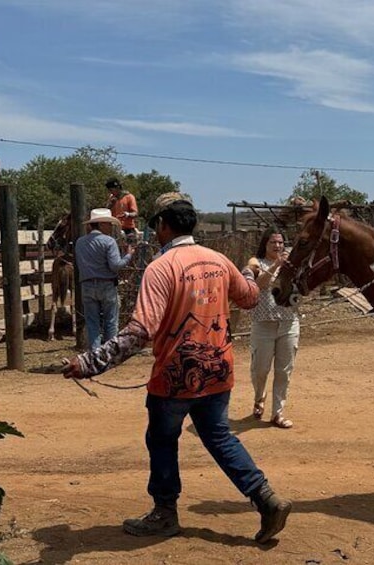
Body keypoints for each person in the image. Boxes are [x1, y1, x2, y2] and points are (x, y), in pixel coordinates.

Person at [61, 195, 292, 545]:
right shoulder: (218, 261)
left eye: (157, 227)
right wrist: (248, 274)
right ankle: (266, 499)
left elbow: (140, 331)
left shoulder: (161, 267)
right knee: (218, 437)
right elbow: (249, 297)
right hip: (217, 370)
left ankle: (165, 513)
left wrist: (90, 362)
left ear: (163, 226)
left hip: (174, 377)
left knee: (162, 439)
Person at [245, 227, 300, 429]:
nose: (277, 246)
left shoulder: (292, 265)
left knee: (284, 371)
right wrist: (276, 264)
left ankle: (278, 413)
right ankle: (259, 397)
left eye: (280, 242)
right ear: (265, 245)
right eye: (273, 242)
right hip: (263, 325)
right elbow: (257, 286)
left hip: (289, 322)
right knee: (260, 370)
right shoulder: (256, 263)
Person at [75, 208, 135, 350]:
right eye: (108, 223)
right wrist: (128, 255)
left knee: (92, 322)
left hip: (87, 285)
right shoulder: (109, 241)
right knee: (111, 321)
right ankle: (109, 354)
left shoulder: (80, 242)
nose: (110, 226)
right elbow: (115, 266)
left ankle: (95, 354)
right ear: (101, 224)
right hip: (107, 284)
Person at [106, 177, 139, 242]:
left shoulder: (129, 197)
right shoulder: (112, 198)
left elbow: (135, 213)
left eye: (111, 190)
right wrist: (110, 205)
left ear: (118, 188)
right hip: (115, 229)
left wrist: (127, 214)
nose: (111, 192)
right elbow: (106, 211)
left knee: (129, 247)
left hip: (128, 229)